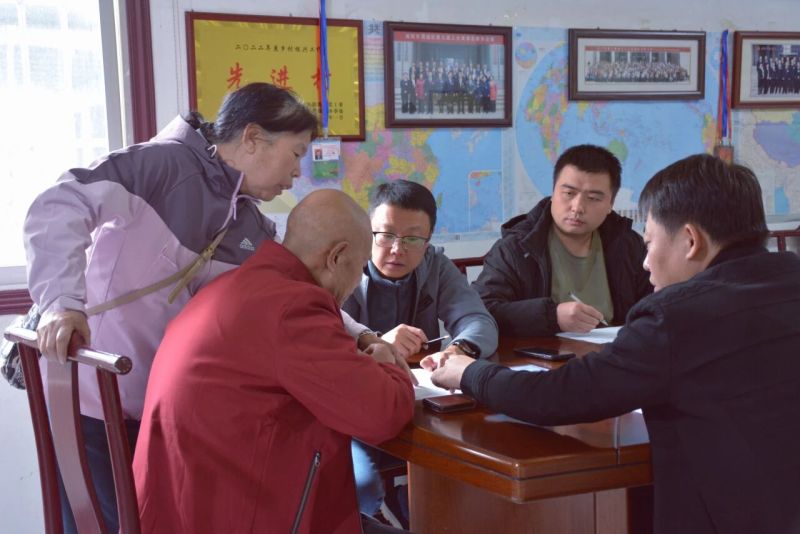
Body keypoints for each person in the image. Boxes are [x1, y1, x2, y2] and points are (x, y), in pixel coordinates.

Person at [24, 82, 387, 533]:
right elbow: (60, 203)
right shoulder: (162, 165)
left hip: (157, 411)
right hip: (94, 396)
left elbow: (290, 292)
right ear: (253, 137)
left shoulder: (250, 224)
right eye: (296, 154)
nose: (298, 173)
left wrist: (361, 334)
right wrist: (61, 302)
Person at [426, 154, 800, 534]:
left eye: (651, 243)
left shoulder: (675, 318)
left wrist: (470, 373)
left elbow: (557, 397)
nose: (646, 263)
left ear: (691, 241)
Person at [133, 190, 415, 533]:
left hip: (184, 510)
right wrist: (386, 361)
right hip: (237, 514)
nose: (357, 282)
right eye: (359, 267)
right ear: (337, 257)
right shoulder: (292, 307)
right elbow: (381, 414)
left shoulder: (237, 285)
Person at [342, 179, 498, 522]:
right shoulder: (343, 266)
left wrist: (458, 349)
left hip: (420, 407)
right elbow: (324, 339)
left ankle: (409, 505)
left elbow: (478, 319)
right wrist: (377, 341)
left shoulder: (435, 265)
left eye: (412, 239)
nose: (397, 249)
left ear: (427, 241)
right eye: (385, 235)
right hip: (354, 411)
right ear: (368, 232)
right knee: (363, 486)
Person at [472, 144, 651, 336]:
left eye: (593, 198)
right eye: (569, 193)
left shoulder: (628, 245)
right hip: (542, 352)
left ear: (610, 204)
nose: (577, 207)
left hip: (616, 351)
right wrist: (551, 316)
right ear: (553, 193)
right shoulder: (517, 248)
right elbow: (480, 311)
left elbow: (657, 304)